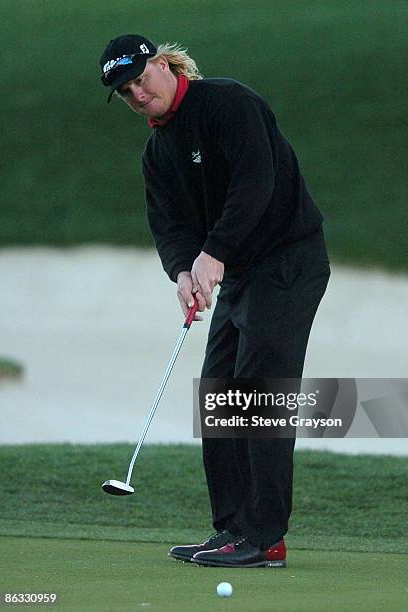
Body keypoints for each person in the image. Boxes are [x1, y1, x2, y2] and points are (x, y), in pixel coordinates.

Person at [99, 34, 330, 568]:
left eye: (141, 78)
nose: (138, 93)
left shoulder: (228, 103)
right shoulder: (158, 152)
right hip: (239, 272)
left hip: (288, 260)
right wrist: (184, 271)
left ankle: (264, 536)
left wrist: (215, 253)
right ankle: (231, 529)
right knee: (219, 397)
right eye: (126, 90)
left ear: (162, 63)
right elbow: (170, 227)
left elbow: (258, 182)